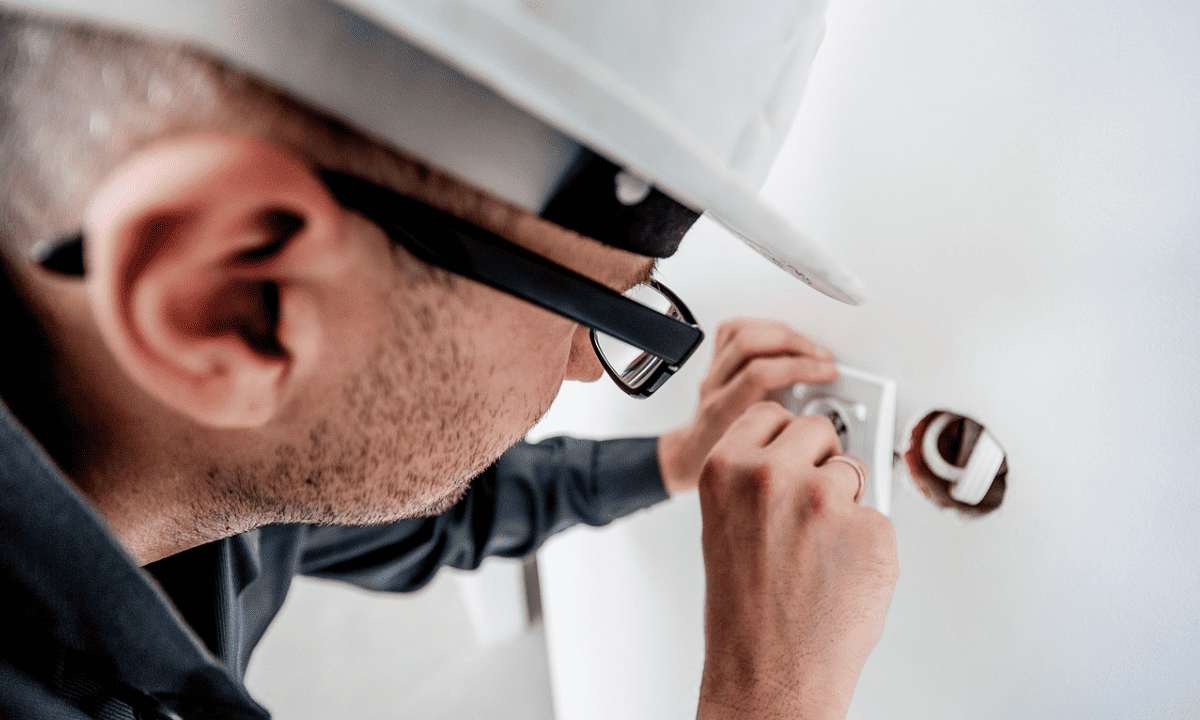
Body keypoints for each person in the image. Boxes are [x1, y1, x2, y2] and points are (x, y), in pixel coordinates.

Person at [0, 3, 898, 719]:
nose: (588, 368)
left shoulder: (202, 455)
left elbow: (433, 507)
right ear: (232, 299)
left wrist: (675, 458)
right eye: (595, 311)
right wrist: (765, 704)